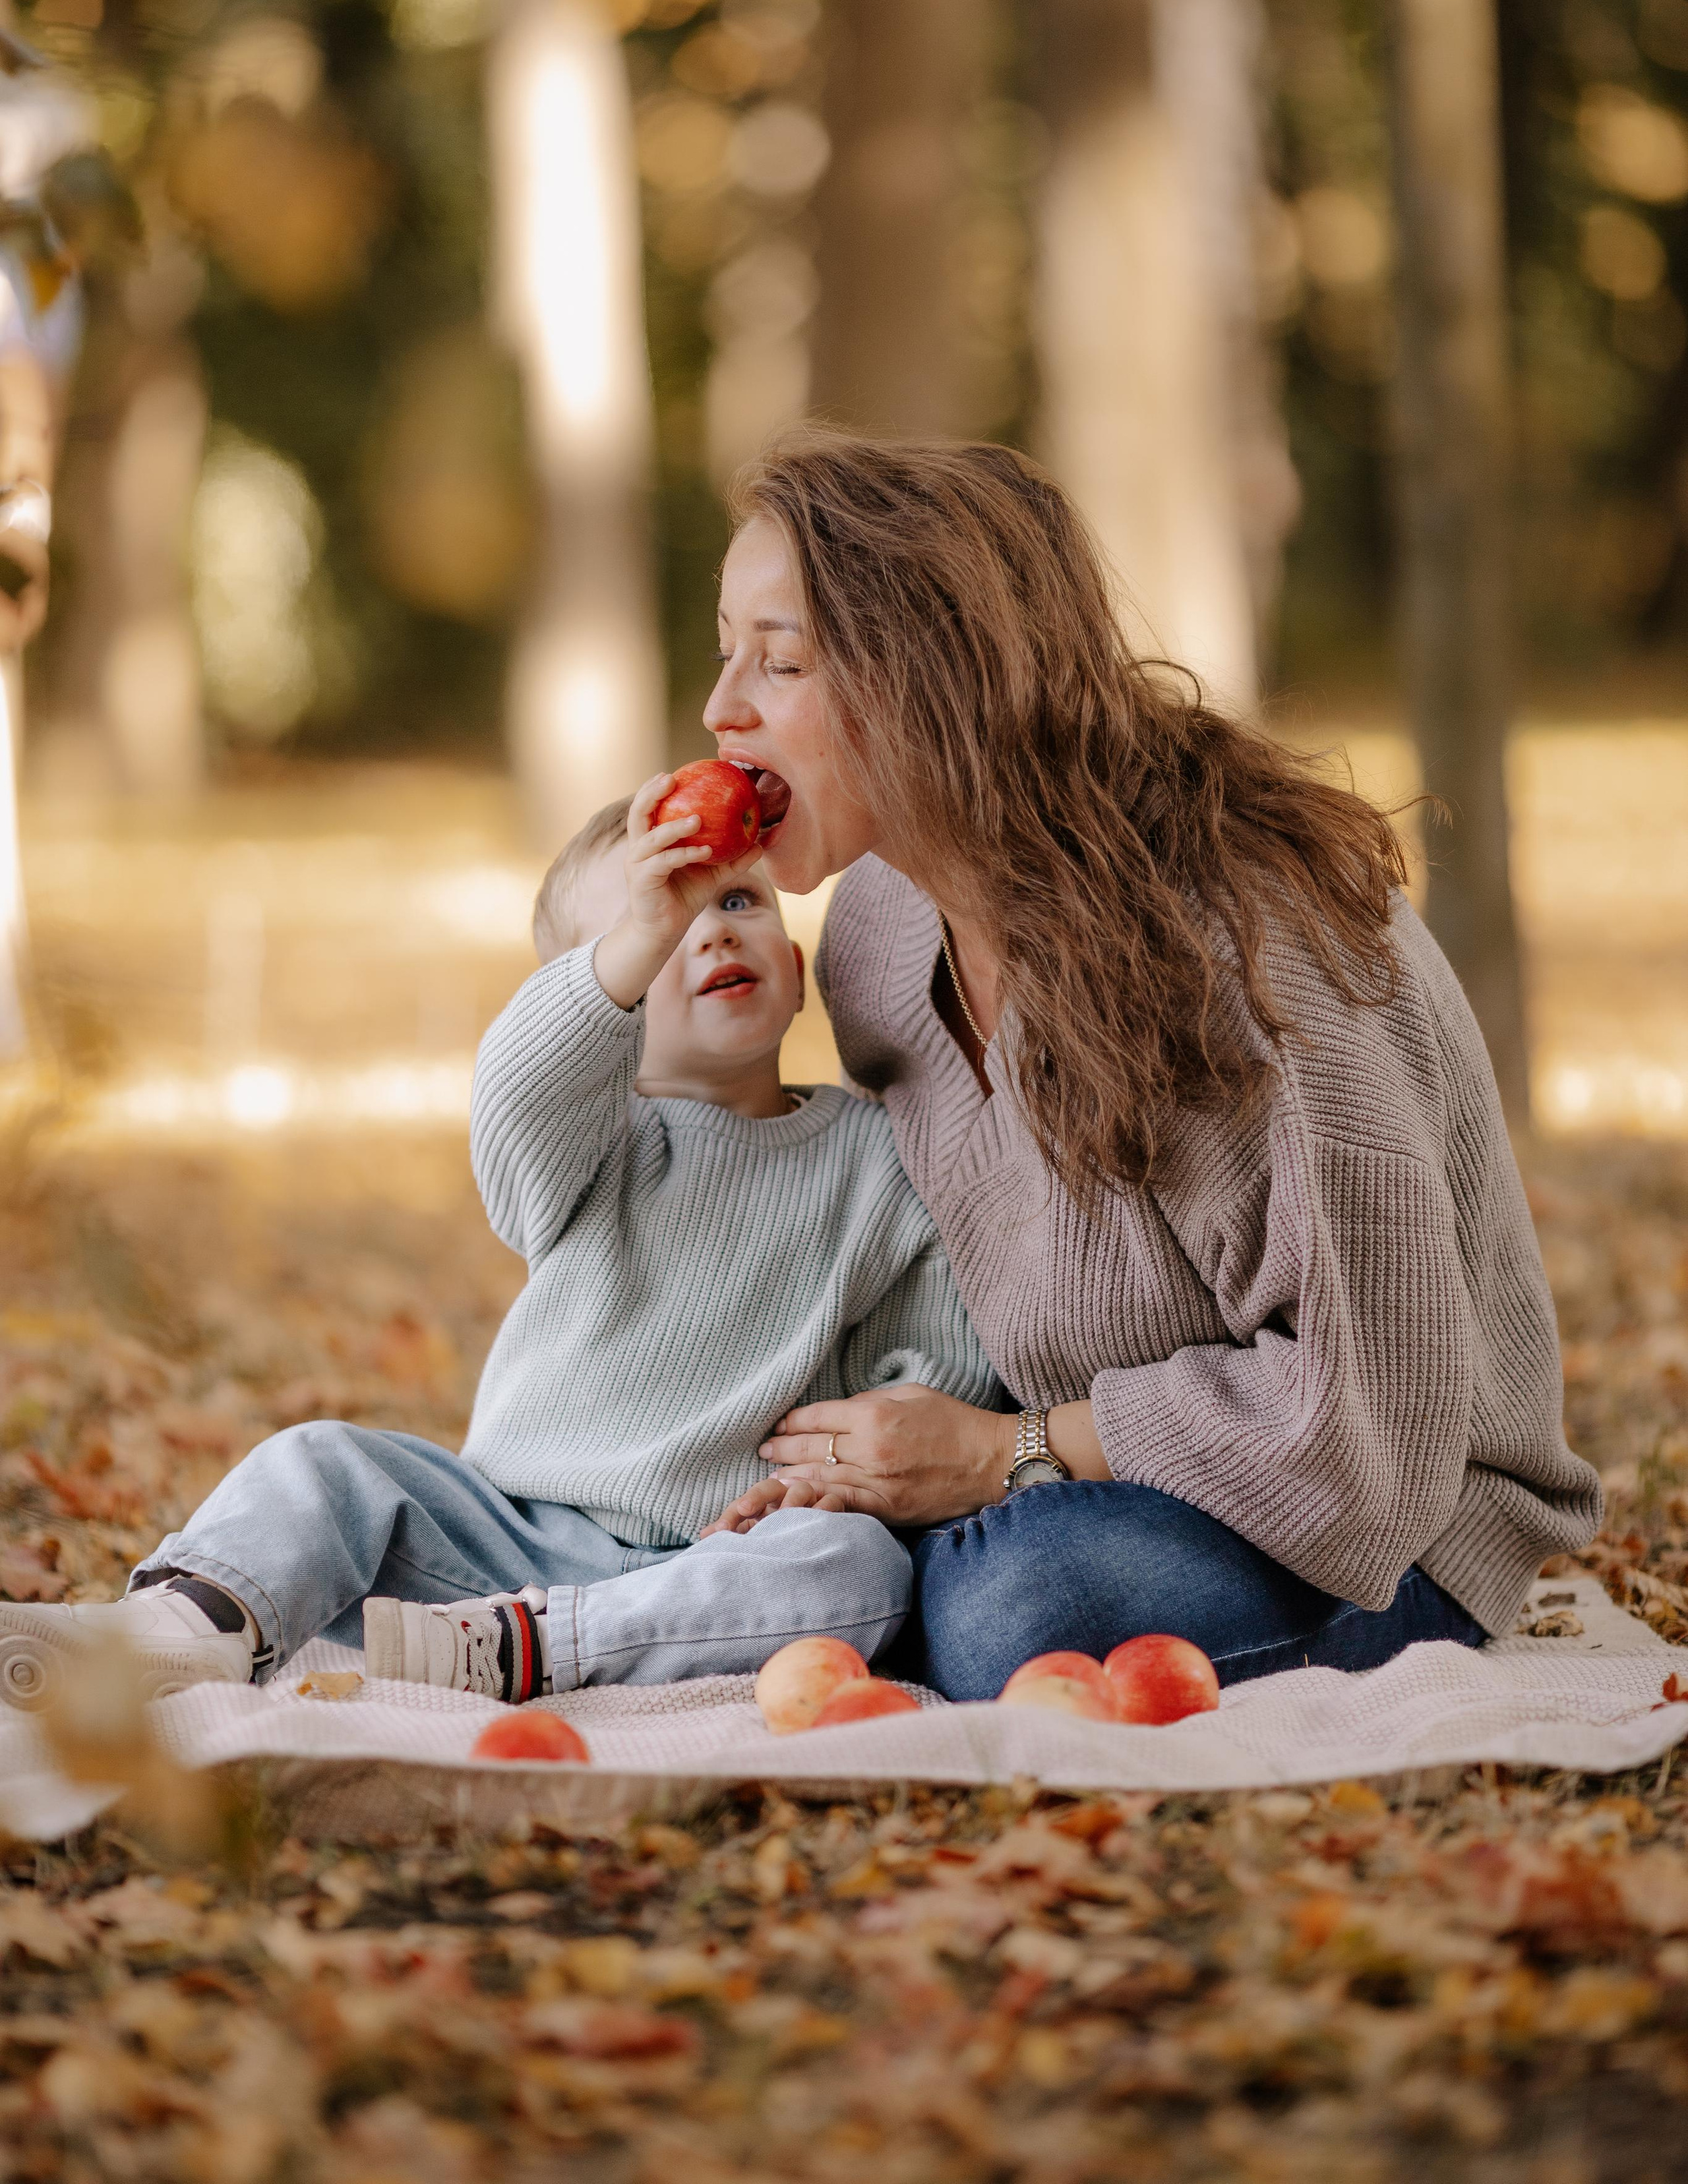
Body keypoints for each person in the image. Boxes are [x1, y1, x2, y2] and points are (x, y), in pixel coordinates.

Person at [697, 434, 1602, 1701]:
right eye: (725, 650)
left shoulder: (1259, 946)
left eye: (781, 661)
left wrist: (1000, 1458)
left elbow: (1369, 1426)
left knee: (1017, 1605)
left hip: (1394, 1529)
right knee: (833, 1558)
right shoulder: (880, 940)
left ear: (931, 677)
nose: (721, 708)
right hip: (1101, 1487)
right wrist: (860, 1468)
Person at [0, 777, 996, 1713]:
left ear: (797, 970)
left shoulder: (877, 1155)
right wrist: (637, 939)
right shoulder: (588, 1143)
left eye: (739, 901)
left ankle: (527, 1649)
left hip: (712, 1559)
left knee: (855, 1570)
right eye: (664, 922)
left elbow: (925, 1368)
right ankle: (185, 1627)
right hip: (499, 1533)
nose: (711, 930)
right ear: (598, 1000)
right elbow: (521, 1085)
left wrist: (823, 1486)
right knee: (322, 1461)